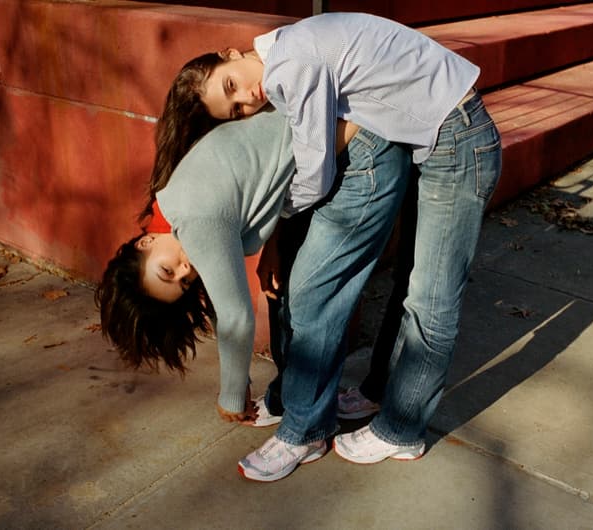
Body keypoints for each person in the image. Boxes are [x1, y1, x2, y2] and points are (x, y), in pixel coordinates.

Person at [171, 12, 502, 481]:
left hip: (456, 140)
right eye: (238, 110)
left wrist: (276, 217)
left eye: (231, 87)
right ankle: (377, 393)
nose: (248, 99)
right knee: (414, 285)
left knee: (431, 298)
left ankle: (401, 430)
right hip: (439, 135)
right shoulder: (288, 47)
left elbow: (314, 174)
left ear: (230, 54)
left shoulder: (290, 63)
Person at [96, 108, 411, 426]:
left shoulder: (193, 221)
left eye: (166, 270)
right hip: (343, 138)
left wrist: (231, 395)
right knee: (292, 300)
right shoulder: (174, 203)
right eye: (184, 282)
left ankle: (307, 429)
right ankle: (293, 406)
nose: (186, 269)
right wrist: (241, 377)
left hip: (359, 145)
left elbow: (236, 317)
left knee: (310, 304)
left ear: (145, 243)